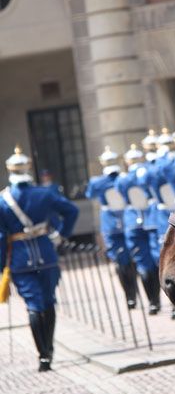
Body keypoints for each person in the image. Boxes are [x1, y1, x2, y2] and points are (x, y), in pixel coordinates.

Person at [0, 146, 78, 371]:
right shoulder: (44, 193)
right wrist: (61, 234)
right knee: (48, 300)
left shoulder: (3, 200)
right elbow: (71, 210)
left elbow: (1, 235)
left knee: (34, 305)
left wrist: (1, 264)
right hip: (47, 254)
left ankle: (43, 355)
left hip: (20, 259)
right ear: (28, 169)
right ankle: (50, 348)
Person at [85, 146, 137, 309]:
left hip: (110, 223)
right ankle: (137, 291)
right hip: (127, 219)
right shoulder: (125, 178)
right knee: (134, 258)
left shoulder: (97, 182)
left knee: (119, 259)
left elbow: (90, 194)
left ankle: (130, 296)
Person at [115, 144, 161, 315]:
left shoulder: (123, 179)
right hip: (150, 218)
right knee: (157, 259)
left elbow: (120, 193)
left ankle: (153, 303)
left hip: (133, 220)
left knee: (143, 262)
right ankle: (166, 303)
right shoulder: (147, 172)